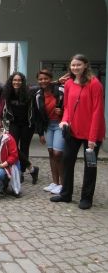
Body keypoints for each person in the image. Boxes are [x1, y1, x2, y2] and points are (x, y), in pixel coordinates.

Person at [51, 54, 105, 210]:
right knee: (67, 161)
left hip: (92, 133)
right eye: (73, 65)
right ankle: (65, 194)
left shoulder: (95, 84)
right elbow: (67, 106)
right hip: (73, 131)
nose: (75, 68)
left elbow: (97, 111)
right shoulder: (68, 83)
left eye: (78, 65)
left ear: (86, 65)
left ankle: (86, 198)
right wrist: (64, 120)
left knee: (90, 165)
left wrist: (93, 138)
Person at [2, 72, 39, 184]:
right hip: (14, 123)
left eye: (19, 80)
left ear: (22, 82)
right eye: (14, 80)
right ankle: (31, 168)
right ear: (11, 81)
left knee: (24, 147)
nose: (16, 82)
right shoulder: (8, 92)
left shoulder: (30, 91)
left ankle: (21, 172)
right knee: (13, 147)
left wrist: (57, 82)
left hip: (27, 125)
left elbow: (43, 85)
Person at [34, 69, 65, 194]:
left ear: (50, 79)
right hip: (48, 126)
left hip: (60, 124)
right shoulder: (38, 95)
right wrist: (40, 133)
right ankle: (55, 183)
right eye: (40, 79)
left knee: (58, 153)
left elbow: (69, 106)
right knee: (51, 152)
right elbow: (38, 116)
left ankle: (63, 184)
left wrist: (62, 112)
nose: (43, 81)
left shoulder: (60, 90)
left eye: (46, 78)